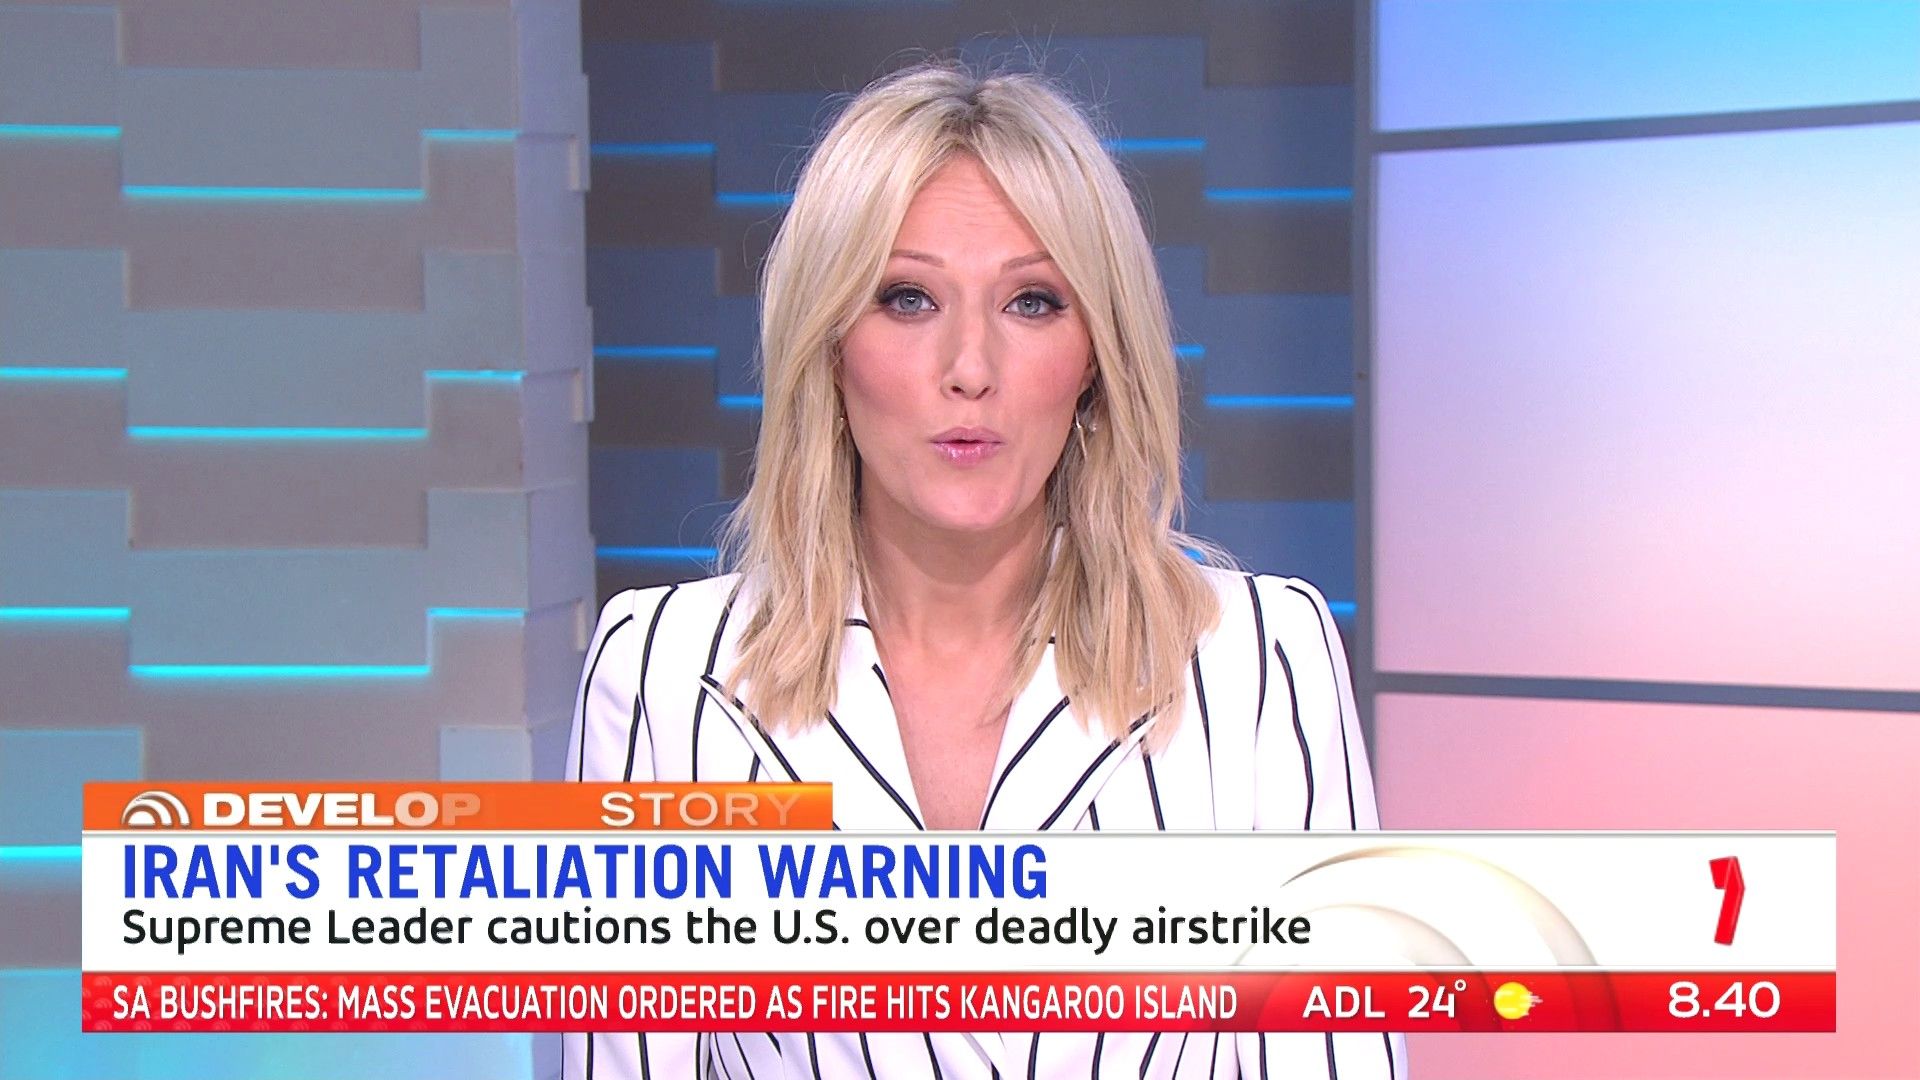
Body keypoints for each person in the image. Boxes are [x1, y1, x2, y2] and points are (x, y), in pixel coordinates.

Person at [565, 57, 1405, 1080]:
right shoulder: (662, 669)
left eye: (1033, 302)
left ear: (1096, 355)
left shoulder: (1261, 661)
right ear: (829, 344)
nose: (971, 368)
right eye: (908, 298)